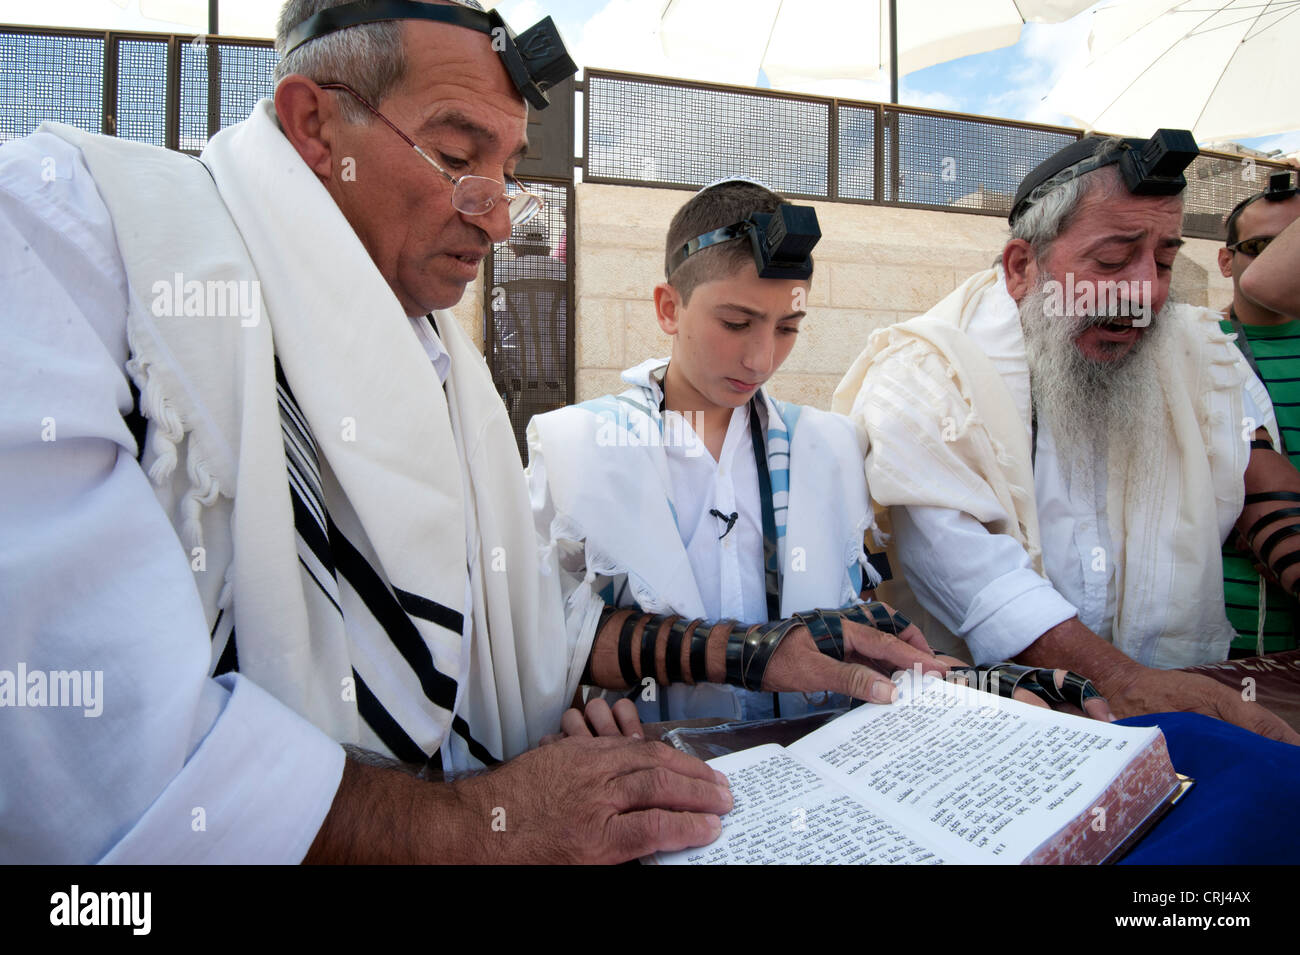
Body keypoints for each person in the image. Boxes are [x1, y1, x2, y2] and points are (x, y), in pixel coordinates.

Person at [0, 0, 743, 864]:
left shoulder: (446, 369)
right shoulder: (67, 235)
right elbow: (88, 759)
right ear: (313, 123)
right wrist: (480, 826)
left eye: (506, 171)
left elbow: (520, 634)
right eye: (458, 158)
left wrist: (760, 655)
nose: (498, 220)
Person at [527, 179, 1110, 730]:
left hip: (817, 763)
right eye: (736, 322)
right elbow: (539, 642)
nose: (761, 359)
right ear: (668, 309)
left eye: (788, 327)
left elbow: (857, 632)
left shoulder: (830, 445)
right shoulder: (575, 446)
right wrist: (584, 711)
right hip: (656, 776)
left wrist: (976, 682)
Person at [833, 131, 1300, 745]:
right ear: (1022, 267)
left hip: (1176, 700)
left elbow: (1264, 489)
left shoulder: (1198, 349)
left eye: (1163, 260)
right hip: (991, 728)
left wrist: (1143, 686)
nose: (1146, 293)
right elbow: (970, 572)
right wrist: (1120, 679)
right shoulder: (925, 371)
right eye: (1112, 262)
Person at [1217, 173, 1300, 655]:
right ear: (1227, 260)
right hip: (1237, 636)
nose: (1278, 260)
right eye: (1261, 245)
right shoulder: (1197, 348)